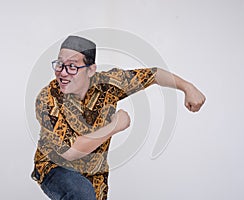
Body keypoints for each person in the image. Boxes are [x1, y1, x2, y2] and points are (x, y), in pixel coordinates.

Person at [31, 35, 206, 200]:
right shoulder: (47, 98)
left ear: (91, 70)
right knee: (81, 192)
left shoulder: (108, 84)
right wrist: (114, 126)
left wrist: (187, 87)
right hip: (55, 167)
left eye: (72, 66)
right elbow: (70, 152)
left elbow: (153, 75)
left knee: (88, 192)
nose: (62, 72)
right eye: (59, 64)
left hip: (94, 175)